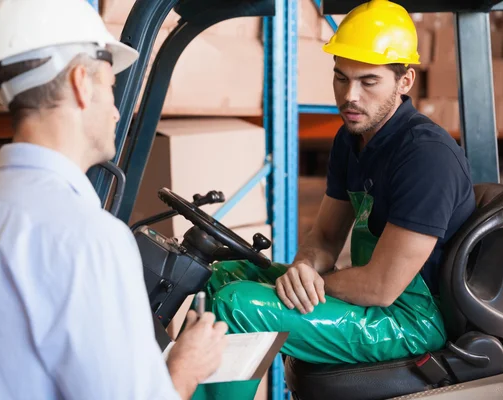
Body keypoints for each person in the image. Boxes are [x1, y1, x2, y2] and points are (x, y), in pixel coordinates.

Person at [0, 0, 227, 399]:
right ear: (82, 82)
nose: (117, 113)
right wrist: (185, 368)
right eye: (110, 87)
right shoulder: (89, 238)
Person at [191, 1, 476, 399]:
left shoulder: (425, 155)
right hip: (374, 300)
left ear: (405, 80)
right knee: (222, 274)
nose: (349, 96)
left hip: (408, 321)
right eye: (340, 78)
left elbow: (380, 287)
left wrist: (313, 285)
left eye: (368, 81)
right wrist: (304, 267)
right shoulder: (352, 139)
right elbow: (325, 235)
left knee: (240, 306)